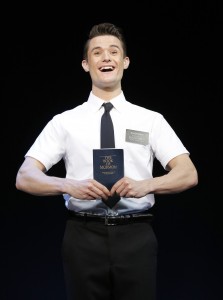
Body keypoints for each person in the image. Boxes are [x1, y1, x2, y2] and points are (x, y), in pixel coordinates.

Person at [15, 22, 198, 300]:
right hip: (82, 235)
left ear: (125, 62)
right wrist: (68, 185)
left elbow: (187, 173)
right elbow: (25, 176)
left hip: (136, 234)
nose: (106, 58)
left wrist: (146, 185)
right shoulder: (65, 122)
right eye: (97, 53)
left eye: (114, 52)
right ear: (86, 64)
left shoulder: (150, 120)